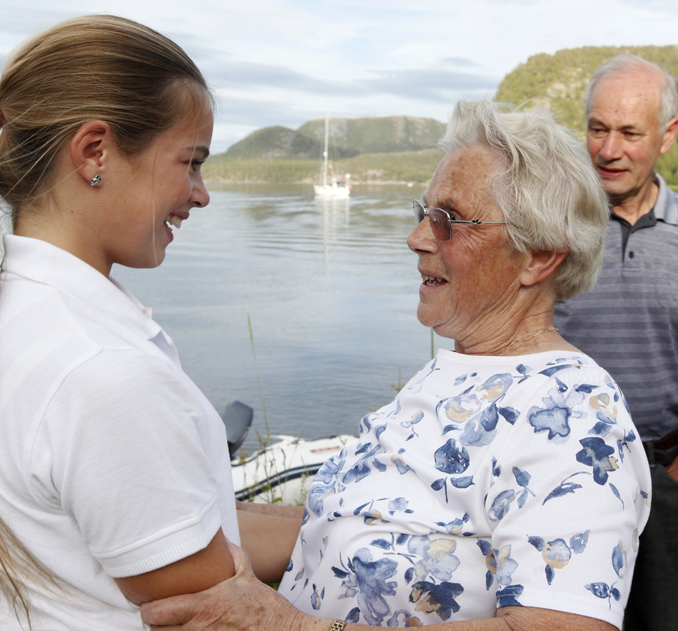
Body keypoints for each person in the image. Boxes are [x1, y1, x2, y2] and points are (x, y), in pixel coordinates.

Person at [141, 100, 651, 631]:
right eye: (423, 213)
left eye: (449, 221)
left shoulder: (574, 414)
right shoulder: (454, 372)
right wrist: (144, 523)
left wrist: (286, 626)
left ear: (540, 256)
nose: (417, 238)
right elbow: (343, 526)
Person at [0, 15, 243, 631]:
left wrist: (328, 519)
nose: (201, 193)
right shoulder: (101, 370)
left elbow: (169, 532)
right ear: (95, 152)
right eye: (190, 162)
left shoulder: (12, 317)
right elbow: (214, 606)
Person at [551, 56, 678, 631]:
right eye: (597, 128)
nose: (609, 150)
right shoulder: (549, 224)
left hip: (664, 470)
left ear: (667, 135)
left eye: (630, 133)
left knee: (666, 621)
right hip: (558, 474)